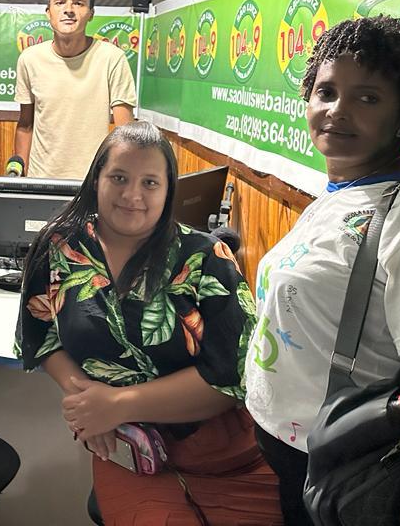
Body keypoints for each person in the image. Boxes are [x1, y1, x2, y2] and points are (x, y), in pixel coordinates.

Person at [245, 15, 400, 526]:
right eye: (326, 92)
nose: (337, 110)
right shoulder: (342, 194)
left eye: (367, 97)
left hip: (355, 472)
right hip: (297, 462)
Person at [17, 120, 281, 525]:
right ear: (97, 179)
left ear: (168, 190)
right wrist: (87, 403)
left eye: (150, 183)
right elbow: (41, 337)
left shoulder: (206, 258)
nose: (132, 195)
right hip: (132, 453)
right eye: (119, 177)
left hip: (228, 455)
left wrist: (116, 405)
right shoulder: (58, 248)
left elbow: (235, 377)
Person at [13, 0, 137, 180]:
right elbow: (25, 125)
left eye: (78, 3)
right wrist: (19, 178)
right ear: (48, 12)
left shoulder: (112, 58)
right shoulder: (29, 59)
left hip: (93, 182)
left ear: (91, 13)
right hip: (40, 180)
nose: (68, 10)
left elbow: (125, 133)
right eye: (60, 3)